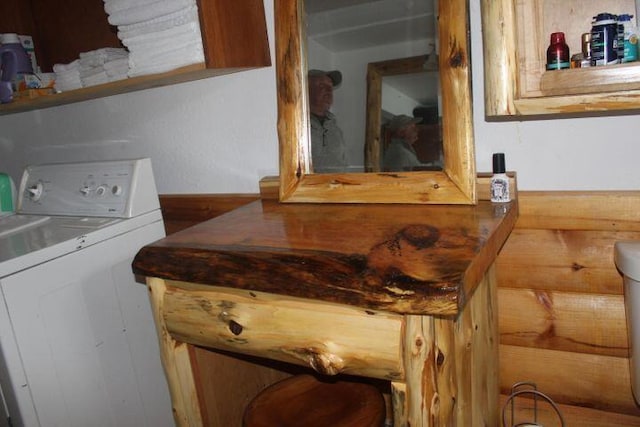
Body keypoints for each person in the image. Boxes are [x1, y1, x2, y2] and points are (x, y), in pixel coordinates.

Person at [308, 69, 347, 173]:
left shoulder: (335, 130)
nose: (329, 91)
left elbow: (342, 165)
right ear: (306, 89)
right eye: (321, 86)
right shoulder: (297, 125)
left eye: (330, 87)